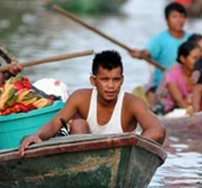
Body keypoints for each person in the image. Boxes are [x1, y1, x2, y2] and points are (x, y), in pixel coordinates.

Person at [18, 50, 166, 156]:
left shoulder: (132, 103)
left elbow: (157, 131)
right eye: (104, 79)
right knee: (78, 125)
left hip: (123, 159)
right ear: (93, 80)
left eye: (116, 80)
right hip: (87, 159)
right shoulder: (80, 98)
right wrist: (37, 135)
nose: (111, 86)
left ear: (122, 80)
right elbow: (54, 124)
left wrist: (130, 153)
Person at [130, 3, 189, 105]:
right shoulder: (159, 40)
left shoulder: (191, 39)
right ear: (167, 20)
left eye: (182, 16)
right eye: (174, 17)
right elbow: (146, 53)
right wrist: (140, 54)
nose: (179, 20)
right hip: (162, 86)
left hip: (186, 85)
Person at [156, 41, 202, 114]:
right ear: (183, 59)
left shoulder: (200, 72)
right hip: (170, 109)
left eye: (200, 58)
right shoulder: (171, 74)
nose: (198, 62)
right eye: (195, 58)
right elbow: (178, 101)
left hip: (192, 107)